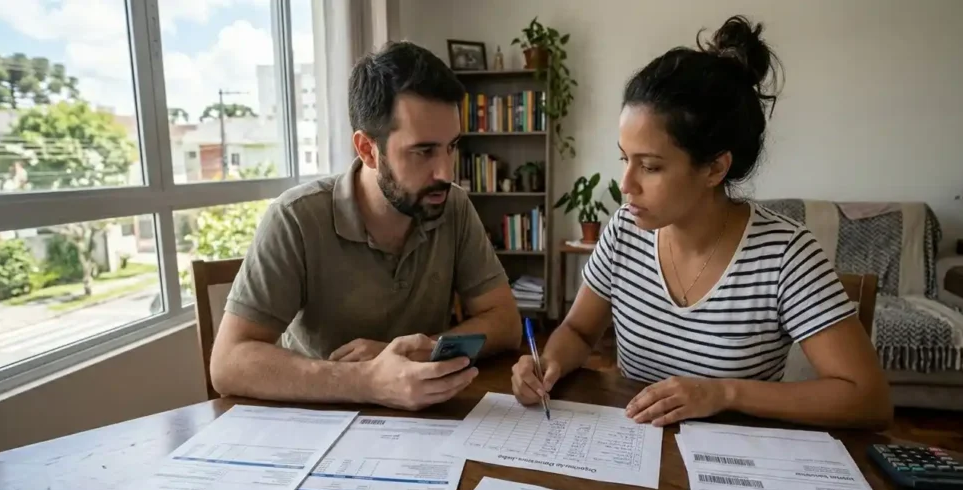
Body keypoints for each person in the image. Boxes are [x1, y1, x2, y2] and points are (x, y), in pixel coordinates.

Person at [511, 16, 891, 429]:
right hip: (634, 451)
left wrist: (722, 392)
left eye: (651, 167)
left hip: (733, 468)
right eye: (625, 158)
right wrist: (548, 361)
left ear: (714, 169)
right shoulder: (624, 232)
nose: (626, 185)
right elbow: (580, 333)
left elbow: (867, 398)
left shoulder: (784, 254)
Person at [211, 41, 522, 410]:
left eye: (451, 146)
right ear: (367, 149)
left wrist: (419, 352)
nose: (446, 172)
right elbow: (228, 363)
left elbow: (506, 322)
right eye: (423, 152)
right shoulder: (295, 217)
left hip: (427, 426)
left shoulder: (452, 206)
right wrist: (370, 380)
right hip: (317, 424)